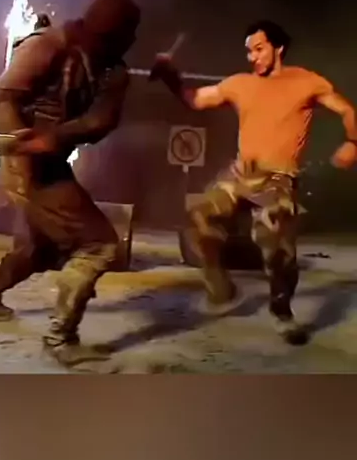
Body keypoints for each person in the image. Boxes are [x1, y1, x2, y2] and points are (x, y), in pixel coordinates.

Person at [150, 20, 357, 345]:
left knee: (277, 252)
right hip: (240, 175)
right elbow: (195, 99)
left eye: (259, 49)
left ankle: (282, 311)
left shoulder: (307, 82)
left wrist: (353, 142)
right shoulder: (240, 83)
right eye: (249, 51)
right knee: (199, 214)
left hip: (277, 180)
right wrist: (170, 76)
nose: (252, 57)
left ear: (279, 48)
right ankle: (220, 285)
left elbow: (347, 110)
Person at [0, 0, 141, 366]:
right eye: (129, 33)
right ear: (112, 33)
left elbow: (101, 121)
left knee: (39, 247)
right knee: (98, 244)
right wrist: (21, 140)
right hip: (25, 165)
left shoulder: (112, 70)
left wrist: (57, 136)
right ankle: (61, 338)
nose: (133, 41)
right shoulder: (49, 45)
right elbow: (3, 97)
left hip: (51, 160)